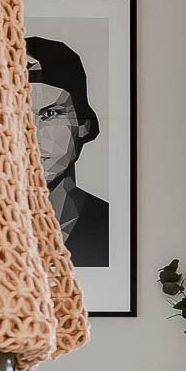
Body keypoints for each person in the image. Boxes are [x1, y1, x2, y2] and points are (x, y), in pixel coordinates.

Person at [26, 35, 109, 265]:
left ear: (83, 125)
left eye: (50, 114)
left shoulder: (110, 228)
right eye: (16, 115)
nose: (32, 134)